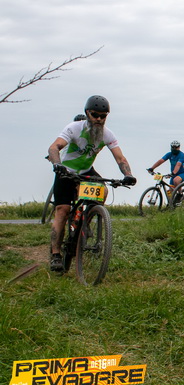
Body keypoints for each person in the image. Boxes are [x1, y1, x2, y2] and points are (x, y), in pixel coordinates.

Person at [47, 95, 136, 272]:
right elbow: (54, 147)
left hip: (86, 172)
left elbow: (120, 158)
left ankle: (86, 220)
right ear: (87, 113)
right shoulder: (74, 128)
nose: (99, 119)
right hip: (67, 172)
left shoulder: (107, 134)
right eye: (95, 115)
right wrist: (57, 164)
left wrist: (128, 174)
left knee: (103, 191)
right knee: (62, 210)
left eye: (103, 116)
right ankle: (56, 254)